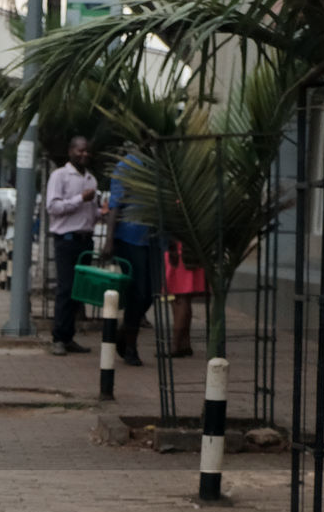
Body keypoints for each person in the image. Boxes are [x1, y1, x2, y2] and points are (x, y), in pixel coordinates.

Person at [46, 135, 101, 355]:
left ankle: (69, 336)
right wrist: (80, 199)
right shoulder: (60, 176)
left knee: (78, 292)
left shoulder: (91, 179)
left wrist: (101, 213)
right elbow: (53, 207)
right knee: (66, 289)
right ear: (70, 151)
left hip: (85, 240)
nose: (84, 154)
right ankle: (58, 338)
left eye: (87, 150)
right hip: (66, 240)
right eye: (80, 150)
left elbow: (91, 212)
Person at [102, 152, 156, 366]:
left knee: (151, 293)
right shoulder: (129, 165)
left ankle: (122, 332)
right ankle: (131, 346)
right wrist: (109, 240)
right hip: (130, 237)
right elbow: (115, 204)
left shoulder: (162, 166)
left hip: (154, 239)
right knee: (138, 292)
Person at [163, 240, 206, 356]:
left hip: (178, 252)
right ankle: (185, 344)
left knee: (179, 298)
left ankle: (175, 345)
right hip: (189, 250)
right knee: (184, 299)